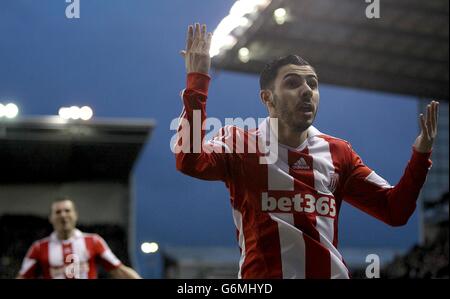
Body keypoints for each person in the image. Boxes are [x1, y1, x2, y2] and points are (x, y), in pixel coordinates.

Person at [174, 23, 440, 279]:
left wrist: (420, 156)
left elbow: (395, 210)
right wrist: (197, 82)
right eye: (292, 83)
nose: (306, 91)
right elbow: (189, 160)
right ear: (267, 98)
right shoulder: (238, 144)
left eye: (312, 84)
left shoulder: (338, 152)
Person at [17, 197, 141, 279]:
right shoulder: (39, 248)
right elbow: (23, 277)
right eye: (58, 212)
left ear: (75, 214)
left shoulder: (93, 241)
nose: (63, 215)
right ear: (50, 218)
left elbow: (118, 270)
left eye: (67, 210)